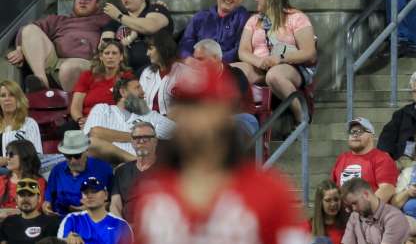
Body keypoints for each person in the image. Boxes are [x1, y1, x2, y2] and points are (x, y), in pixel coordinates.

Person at [131, 61, 308, 244]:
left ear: (224, 113)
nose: (192, 117)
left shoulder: (267, 192)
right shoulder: (155, 196)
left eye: (203, 106)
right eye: (185, 106)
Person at [8, 0, 116, 93]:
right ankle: (41, 83)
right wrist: (20, 48)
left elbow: (117, 32)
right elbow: (27, 30)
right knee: (30, 29)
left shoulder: (104, 19)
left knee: (69, 67)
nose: (83, 1)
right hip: (55, 64)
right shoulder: (59, 20)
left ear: (97, 3)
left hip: (86, 65)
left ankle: (72, 105)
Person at [232, 0, 317, 123]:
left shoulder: (296, 18)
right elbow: (243, 51)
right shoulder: (254, 20)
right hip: (259, 65)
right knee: (231, 71)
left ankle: (302, 117)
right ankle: (234, 119)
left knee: (274, 76)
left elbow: (309, 52)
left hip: (290, 65)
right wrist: (259, 61)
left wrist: (280, 59)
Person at [82, 77, 174, 164]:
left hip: (138, 171)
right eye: (138, 88)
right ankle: (133, 161)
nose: (143, 92)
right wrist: (141, 137)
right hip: (105, 166)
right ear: (123, 92)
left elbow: (180, 132)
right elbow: (95, 134)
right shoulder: (103, 109)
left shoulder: (151, 115)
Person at [100, 0, 171, 73]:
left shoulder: (156, 9)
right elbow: (104, 46)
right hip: (121, 71)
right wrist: (129, 39)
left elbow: (150, 26)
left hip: (152, 70)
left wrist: (119, 16)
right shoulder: (115, 20)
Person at [192, 40, 259, 136]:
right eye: (195, 59)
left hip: (240, 118)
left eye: (200, 59)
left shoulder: (234, 74)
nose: (196, 64)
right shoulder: (197, 79)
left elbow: (232, 106)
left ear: (215, 58)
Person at [177, 0, 251, 64]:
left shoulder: (243, 18)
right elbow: (186, 41)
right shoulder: (200, 17)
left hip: (227, 67)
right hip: (197, 64)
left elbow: (240, 48)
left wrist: (219, 60)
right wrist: (189, 58)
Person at [45, 132, 112, 216]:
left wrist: (91, 208)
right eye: (68, 156)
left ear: (86, 151)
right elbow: (48, 200)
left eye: (77, 156)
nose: (73, 161)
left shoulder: (103, 169)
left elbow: (112, 202)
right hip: (61, 219)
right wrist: (47, 208)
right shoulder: (57, 170)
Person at [332, 118, 399, 204]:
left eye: (360, 131)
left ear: (371, 135)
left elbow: (387, 190)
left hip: (368, 214)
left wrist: (361, 211)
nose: (355, 135)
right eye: (352, 132)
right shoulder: (342, 158)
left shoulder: (382, 159)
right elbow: (333, 188)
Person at [69, 41, 131, 129]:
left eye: (114, 53)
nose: (110, 56)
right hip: (85, 121)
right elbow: (76, 105)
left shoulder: (127, 78)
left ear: (121, 57)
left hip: (113, 123)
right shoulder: (87, 75)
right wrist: (81, 120)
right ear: (101, 57)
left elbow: (127, 108)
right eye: (106, 53)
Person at [54, 177, 130, 244]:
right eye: (85, 192)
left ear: (106, 195)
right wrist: (67, 240)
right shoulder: (71, 219)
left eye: (94, 191)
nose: (89, 195)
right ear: (81, 198)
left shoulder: (121, 224)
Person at [107, 122, 156, 223]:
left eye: (146, 137)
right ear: (132, 142)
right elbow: (115, 204)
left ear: (155, 141)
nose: (141, 141)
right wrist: (123, 227)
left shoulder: (165, 169)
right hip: (127, 229)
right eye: (137, 138)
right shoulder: (121, 171)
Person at [339, 177, 409, 244]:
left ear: (366, 195)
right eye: (350, 205)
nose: (353, 208)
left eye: (355, 203)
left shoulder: (394, 218)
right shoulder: (354, 216)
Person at [0, 178, 61, 244]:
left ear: (39, 199)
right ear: (17, 199)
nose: (26, 199)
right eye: (22, 195)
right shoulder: (8, 222)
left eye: (30, 195)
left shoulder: (52, 222)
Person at [136, 28, 180, 116]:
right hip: (148, 122)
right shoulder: (147, 72)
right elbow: (140, 101)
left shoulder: (184, 73)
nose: (147, 53)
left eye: (150, 49)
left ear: (162, 48)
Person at [1, 140, 46, 213]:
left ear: (24, 156)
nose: (7, 158)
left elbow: (35, 210)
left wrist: (6, 212)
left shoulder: (36, 182)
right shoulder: (2, 180)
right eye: (7, 154)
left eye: (11, 155)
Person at [0, 82, 42, 157]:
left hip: (21, 168)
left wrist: (6, 161)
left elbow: (37, 157)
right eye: (3, 96)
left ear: (19, 99)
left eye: (12, 95)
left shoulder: (29, 123)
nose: (7, 99)